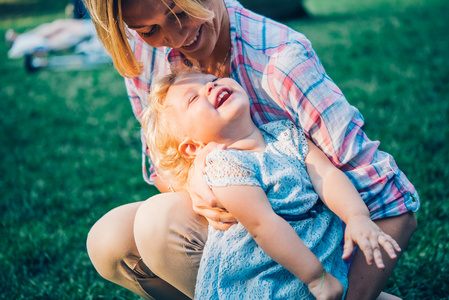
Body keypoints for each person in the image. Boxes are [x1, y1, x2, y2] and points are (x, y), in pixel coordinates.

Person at [83, 0, 420, 299]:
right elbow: (163, 161)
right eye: (149, 29)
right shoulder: (144, 54)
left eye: (180, 12)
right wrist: (194, 178)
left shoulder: (281, 63)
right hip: (234, 236)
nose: (175, 38)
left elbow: (394, 203)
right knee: (108, 241)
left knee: (158, 223)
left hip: (306, 235)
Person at [140, 69, 403, 299]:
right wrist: (316, 278)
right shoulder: (224, 165)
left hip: (324, 265)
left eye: (213, 79)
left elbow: (327, 176)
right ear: (192, 147)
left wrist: (356, 215)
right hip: (269, 279)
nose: (210, 86)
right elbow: (263, 226)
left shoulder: (285, 134)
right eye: (194, 97)